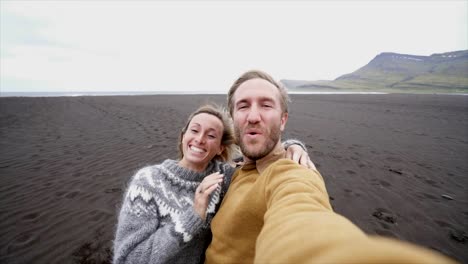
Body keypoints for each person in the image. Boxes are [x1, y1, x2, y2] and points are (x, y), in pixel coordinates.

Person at [205, 70, 456, 264]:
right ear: (233, 118)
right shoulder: (231, 172)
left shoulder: (292, 172)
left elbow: (301, 215)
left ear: (283, 120)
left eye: (266, 105)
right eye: (243, 106)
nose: (253, 116)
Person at [113, 104, 312, 264]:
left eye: (211, 135)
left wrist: (291, 146)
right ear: (183, 136)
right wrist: (193, 216)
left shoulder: (223, 177)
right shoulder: (148, 181)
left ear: (219, 148)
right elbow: (128, 258)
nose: (199, 139)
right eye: (194, 130)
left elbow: (259, 157)